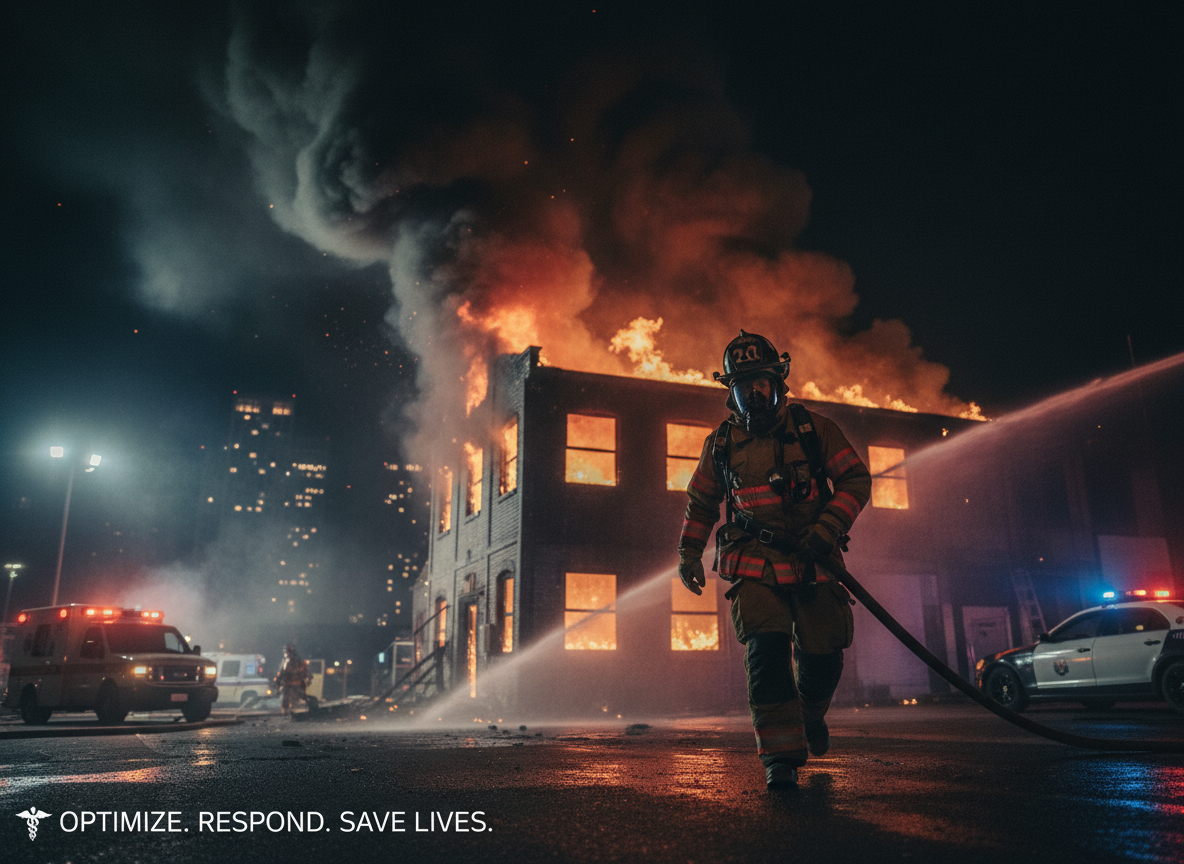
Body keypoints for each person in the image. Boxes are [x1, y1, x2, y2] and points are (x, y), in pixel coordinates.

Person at [678, 330, 871, 790]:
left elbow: (855, 481)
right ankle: (779, 759)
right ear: (732, 393)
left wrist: (825, 531)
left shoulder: (813, 429)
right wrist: (688, 552)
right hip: (754, 563)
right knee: (765, 656)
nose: (755, 394)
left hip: (813, 560)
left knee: (823, 657)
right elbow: (702, 502)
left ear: (779, 383)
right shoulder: (721, 445)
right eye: (745, 387)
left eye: (762, 383)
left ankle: (809, 715)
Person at [274, 643, 312, 716]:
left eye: (286, 651)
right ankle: (289, 711)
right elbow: (282, 671)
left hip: (294, 683)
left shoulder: (294, 661)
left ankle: (294, 710)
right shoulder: (287, 660)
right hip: (290, 683)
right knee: (287, 698)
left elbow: (284, 672)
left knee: (294, 697)